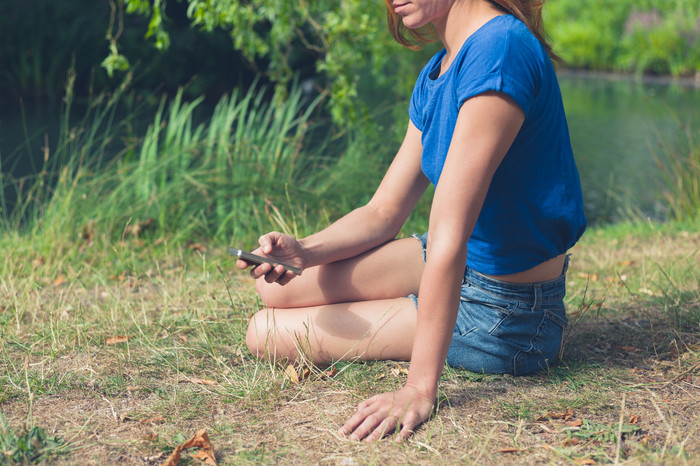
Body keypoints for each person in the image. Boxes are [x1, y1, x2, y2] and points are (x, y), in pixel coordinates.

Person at [237, 0, 586, 443]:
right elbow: (382, 212)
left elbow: (449, 238)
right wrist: (305, 251)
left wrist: (419, 388)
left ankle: (421, 314)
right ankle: (399, 300)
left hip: (509, 311)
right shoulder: (439, 71)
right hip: (455, 263)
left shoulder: (501, 49)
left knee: (265, 332)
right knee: (272, 286)